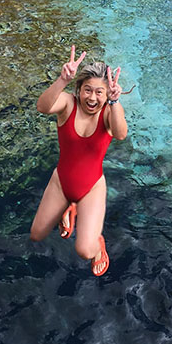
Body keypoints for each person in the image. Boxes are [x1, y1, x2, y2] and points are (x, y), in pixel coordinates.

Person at [30, 46, 128, 277]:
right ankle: (70, 207)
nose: (92, 98)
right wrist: (62, 80)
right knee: (37, 234)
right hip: (61, 181)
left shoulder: (108, 112)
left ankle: (98, 246)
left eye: (99, 93)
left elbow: (121, 134)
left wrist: (114, 103)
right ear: (79, 89)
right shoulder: (67, 103)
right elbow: (42, 107)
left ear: (107, 95)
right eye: (87, 90)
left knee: (84, 250)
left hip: (91, 186)